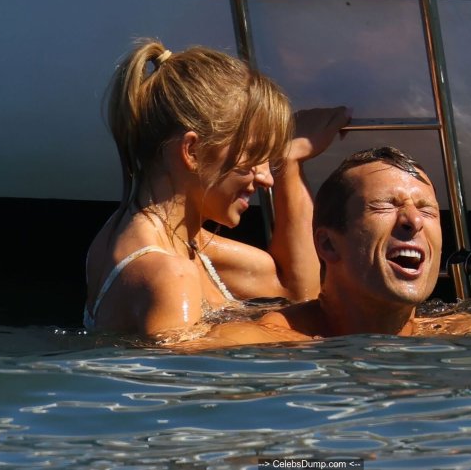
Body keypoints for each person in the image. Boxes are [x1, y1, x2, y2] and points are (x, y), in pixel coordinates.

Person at [83, 38, 350, 337]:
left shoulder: (156, 238)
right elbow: (185, 365)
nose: (267, 178)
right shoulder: (168, 273)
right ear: (192, 151)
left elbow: (295, 290)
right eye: (253, 155)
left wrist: (289, 161)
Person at [180, 146, 471, 350]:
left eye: (427, 210)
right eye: (385, 205)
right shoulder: (257, 344)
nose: (413, 220)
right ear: (328, 244)